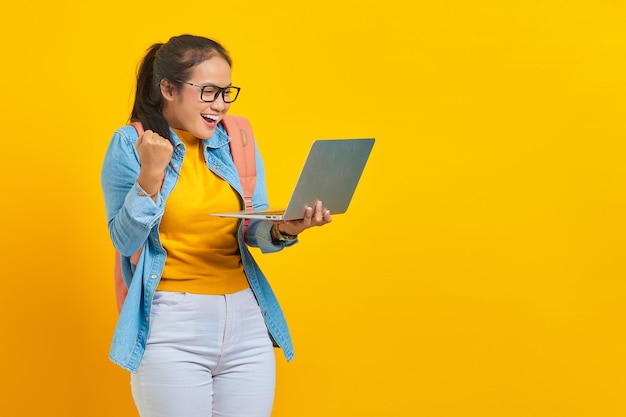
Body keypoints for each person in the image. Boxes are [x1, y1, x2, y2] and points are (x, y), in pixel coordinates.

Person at [100, 34, 332, 417]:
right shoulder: (132, 144)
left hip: (246, 318)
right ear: (169, 89)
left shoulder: (236, 137)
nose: (220, 105)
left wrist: (285, 229)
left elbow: (249, 227)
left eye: (226, 93)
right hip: (172, 323)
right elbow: (125, 242)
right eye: (208, 92)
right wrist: (150, 176)